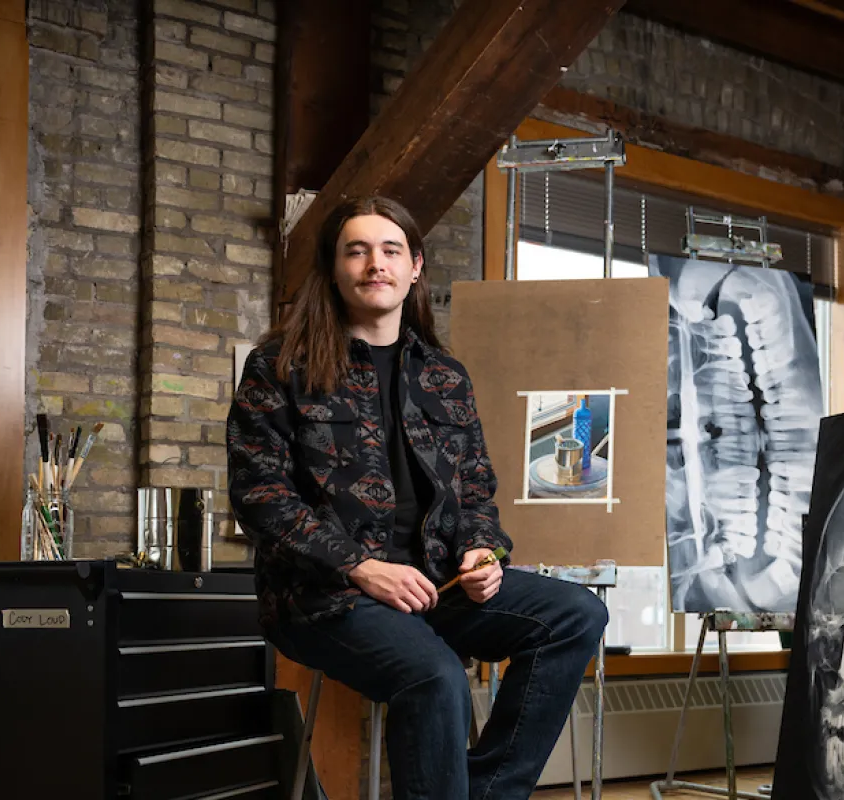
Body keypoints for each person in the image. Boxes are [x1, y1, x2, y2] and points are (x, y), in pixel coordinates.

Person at [227, 195, 608, 800]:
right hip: (324, 596)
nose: (374, 263)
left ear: (415, 267)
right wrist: (360, 567)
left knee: (576, 615)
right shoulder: (280, 365)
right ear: (332, 269)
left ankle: (481, 794)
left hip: (434, 585)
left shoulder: (444, 374)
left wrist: (483, 551)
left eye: (390, 250)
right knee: (437, 677)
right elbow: (260, 494)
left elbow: (476, 487)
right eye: (356, 250)